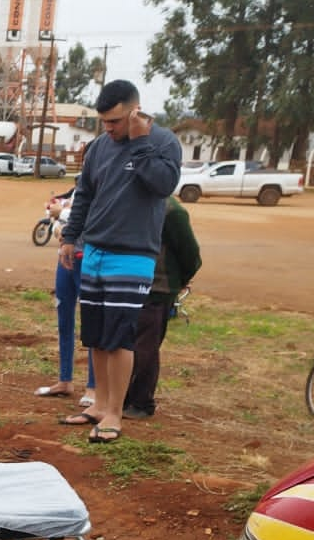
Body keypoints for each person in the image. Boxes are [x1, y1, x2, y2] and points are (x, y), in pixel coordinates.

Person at [58, 79, 183, 444]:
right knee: (96, 336)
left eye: (115, 122)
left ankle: (115, 413)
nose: (108, 129)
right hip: (94, 250)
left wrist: (141, 143)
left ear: (136, 111)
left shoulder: (162, 143)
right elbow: (83, 196)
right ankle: (97, 404)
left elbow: (163, 185)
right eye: (104, 122)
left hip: (132, 256)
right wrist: (70, 238)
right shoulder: (99, 147)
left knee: (119, 338)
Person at [123, 196, 202, 419]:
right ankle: (123, 397)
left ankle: (141, 402)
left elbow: (190, 255)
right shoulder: (129, 200)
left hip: (157, 287)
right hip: (127, 281)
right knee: (124, 344)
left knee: (145, 347)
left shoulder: (172, 211)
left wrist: (176, 281)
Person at [35, 188, 95, 405]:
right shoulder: (78, 191)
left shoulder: (103, 188)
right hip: (66, 259)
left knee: (91, 325)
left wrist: (61, 214)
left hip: (88, 259)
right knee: (64, 320)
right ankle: (65, 380)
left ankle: (93, 388)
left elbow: (90, 219)